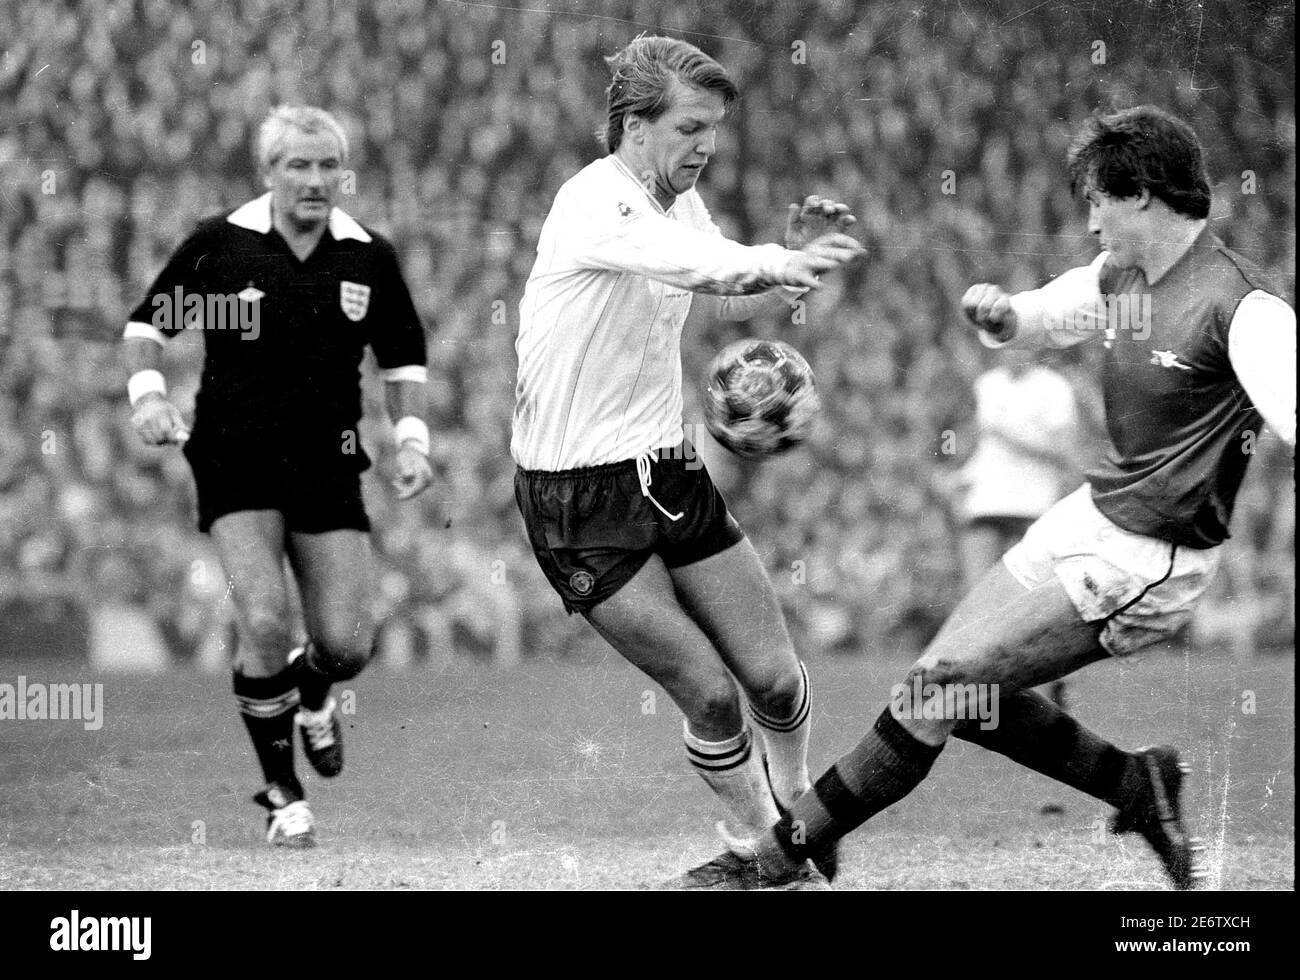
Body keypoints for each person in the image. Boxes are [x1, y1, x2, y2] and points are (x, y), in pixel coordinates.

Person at [723, 105, 1295, 889]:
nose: (1089, 221)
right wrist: (1004, 316)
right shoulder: (1121, 278)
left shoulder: (1243, 308)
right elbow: (1047, 317)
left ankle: (780, 855)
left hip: (1151, 556)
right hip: (1088, 516)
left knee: (942, 687)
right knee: (943, 686)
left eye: (1097, 200)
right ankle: (1137, 784)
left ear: (1144, 196)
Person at [510, 35, 865, 889]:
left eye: (715, 129)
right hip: (577, 501)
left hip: (668, 471)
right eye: (690, 127)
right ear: (635, 126)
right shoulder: (593, 202)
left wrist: (783, 263)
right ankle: (762, 851)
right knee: (710, 695)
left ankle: (799, 814)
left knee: (776, 680)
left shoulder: (680, 203)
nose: (706, 146)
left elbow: (718, 265)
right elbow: (699, 268)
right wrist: (775, 263)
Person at [124, 106, 434, 847]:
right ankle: (284, 797)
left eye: (329, 165)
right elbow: (146, 327)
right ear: (269, 171)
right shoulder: (219, 245)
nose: (317, 179)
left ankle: (316, 699)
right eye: (299, 164)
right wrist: (149, 396)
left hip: (328, 463)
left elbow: (403, 363)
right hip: (234, 456)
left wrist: (414, 442)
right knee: (262, 620)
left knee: (347, 645)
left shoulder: (368, 256)